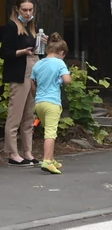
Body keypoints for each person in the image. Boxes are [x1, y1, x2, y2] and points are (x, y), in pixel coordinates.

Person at [1, 0, 44, 166]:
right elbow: (5, 52)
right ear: (17, 10)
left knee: (29, 115)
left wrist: (41, 44)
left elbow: (36, 51)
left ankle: (28, 151)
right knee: (15, 115)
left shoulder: (32, 28)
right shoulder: (12, 27)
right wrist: (22, 52)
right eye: (24, 10)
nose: (27, 13)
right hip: (19, 73)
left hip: (32, 71)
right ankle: (12, 153)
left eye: (30, 10)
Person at [31, 33, 71, 174]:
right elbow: (66, 80)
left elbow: (32, 85)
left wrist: (37, 96)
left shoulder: (38, 64)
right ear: (61, 52)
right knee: (51, 132)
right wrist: (63, 78)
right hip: (52, 102)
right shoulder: (59, 63)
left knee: (47, 128)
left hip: (39, 102)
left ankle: (52, 158)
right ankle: (47, 161)